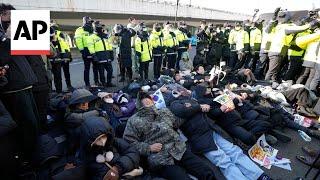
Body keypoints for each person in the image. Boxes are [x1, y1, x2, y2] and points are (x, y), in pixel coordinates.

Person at [168, 91, 270, 180]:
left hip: (213, 130)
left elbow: (209, 110)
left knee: (236, 152)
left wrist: (199, 107)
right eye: (182, 90)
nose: (185, 91)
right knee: (223, 161)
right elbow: (180, 110)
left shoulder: (193, 100)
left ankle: (260, 176)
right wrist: (199, 107)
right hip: (200, 138)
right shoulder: (174, 103)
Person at [123, 92, 216, 180]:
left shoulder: (163, 111)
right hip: (161, 159)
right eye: (144, 101)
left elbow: (177, 121)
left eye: (149, 99)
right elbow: (129, 143)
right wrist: (148, 148)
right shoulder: (134, 121)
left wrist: (193, 108)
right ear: (140, 104)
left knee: (206, 171)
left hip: (178, 149)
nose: (148, 102)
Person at [0, 3, 40, 163]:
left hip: (26, 81)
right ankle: (29, 160)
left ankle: (38, 153)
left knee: (34, 123)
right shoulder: (3, 34)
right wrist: (8, 39)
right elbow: (3, 57)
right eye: (11, 16)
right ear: (2, 14)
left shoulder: (9, 31)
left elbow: (28, 52)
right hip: (14, 87)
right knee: (27, 125)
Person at [265, 9, 315, 82]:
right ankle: (265, 84)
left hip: (278, 51)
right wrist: (313, 23)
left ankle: (272, 83)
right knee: (272, 70)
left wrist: (308, 16)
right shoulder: (286, 27)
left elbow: (299, 24)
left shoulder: (281, 26)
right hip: (277, 51)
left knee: (275, 70)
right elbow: (300, 27)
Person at [88, 21, 115, 87]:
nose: (101, 28)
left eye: (101, 27)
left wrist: (111, 53)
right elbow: (91, 47)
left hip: (107, 56)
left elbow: (109, 45)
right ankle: (103, 83)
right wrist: (94, 56)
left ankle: (109, 83)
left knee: (110, 71)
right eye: (99, 26)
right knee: (101, 72)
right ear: (95, 27)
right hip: (99, 57)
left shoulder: (105, 36)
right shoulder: (91, 37)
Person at [75, 16, 99, 87]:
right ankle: (87, 83)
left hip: (94, 50)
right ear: (85, 21)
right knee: (87, 68)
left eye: (91, 22)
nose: (90, 23)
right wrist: (82, 50)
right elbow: (78, 41)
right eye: (89, 21)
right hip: (86, 50)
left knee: (95, 67)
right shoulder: (80, 30)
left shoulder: (93, 29)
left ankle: (96, 81)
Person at [50, 21, 73, 91]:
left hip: (62, 56)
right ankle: (59, 90)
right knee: (58, 75)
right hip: (58, 56)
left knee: (62, 74)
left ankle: (67, 87)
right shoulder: (54, 34)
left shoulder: (60, 34)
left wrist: (69, 55)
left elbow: (65, 45)